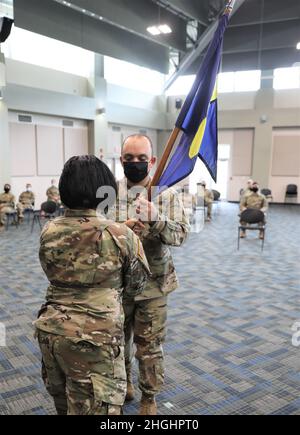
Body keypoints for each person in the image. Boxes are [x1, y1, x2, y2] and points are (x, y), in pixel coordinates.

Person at [34, 155, 150, 415]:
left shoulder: (49, 230)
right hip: (96, 338)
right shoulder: (122, 236)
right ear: (105, 192)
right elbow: (137, 286)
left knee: (64, 405)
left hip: (52, 331)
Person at [116, 134, 190, 415]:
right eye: (129, 159)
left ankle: (149, 398)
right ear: (121, 160)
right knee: (117, 342)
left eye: (141, 159)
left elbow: (181, 235)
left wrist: (156, 219)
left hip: (153, 286)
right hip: (118, 285)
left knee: (149, 347)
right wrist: (122, 227)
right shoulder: (109, 192)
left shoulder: (166, 195)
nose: (135, 164)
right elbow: (100, 235)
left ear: (153, 161)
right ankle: (125, 385)